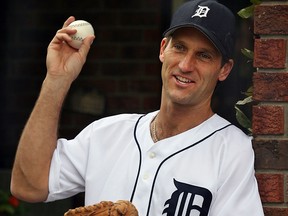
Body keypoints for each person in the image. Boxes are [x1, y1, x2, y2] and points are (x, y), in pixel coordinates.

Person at [10, 0, 264, 215]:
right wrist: (57, 79)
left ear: (224, 69)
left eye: (204, 55)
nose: (186, 65)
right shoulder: (105, 133)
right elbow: (27, 186)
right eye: (180, 47)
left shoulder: (232, 150)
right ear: (163, 49)